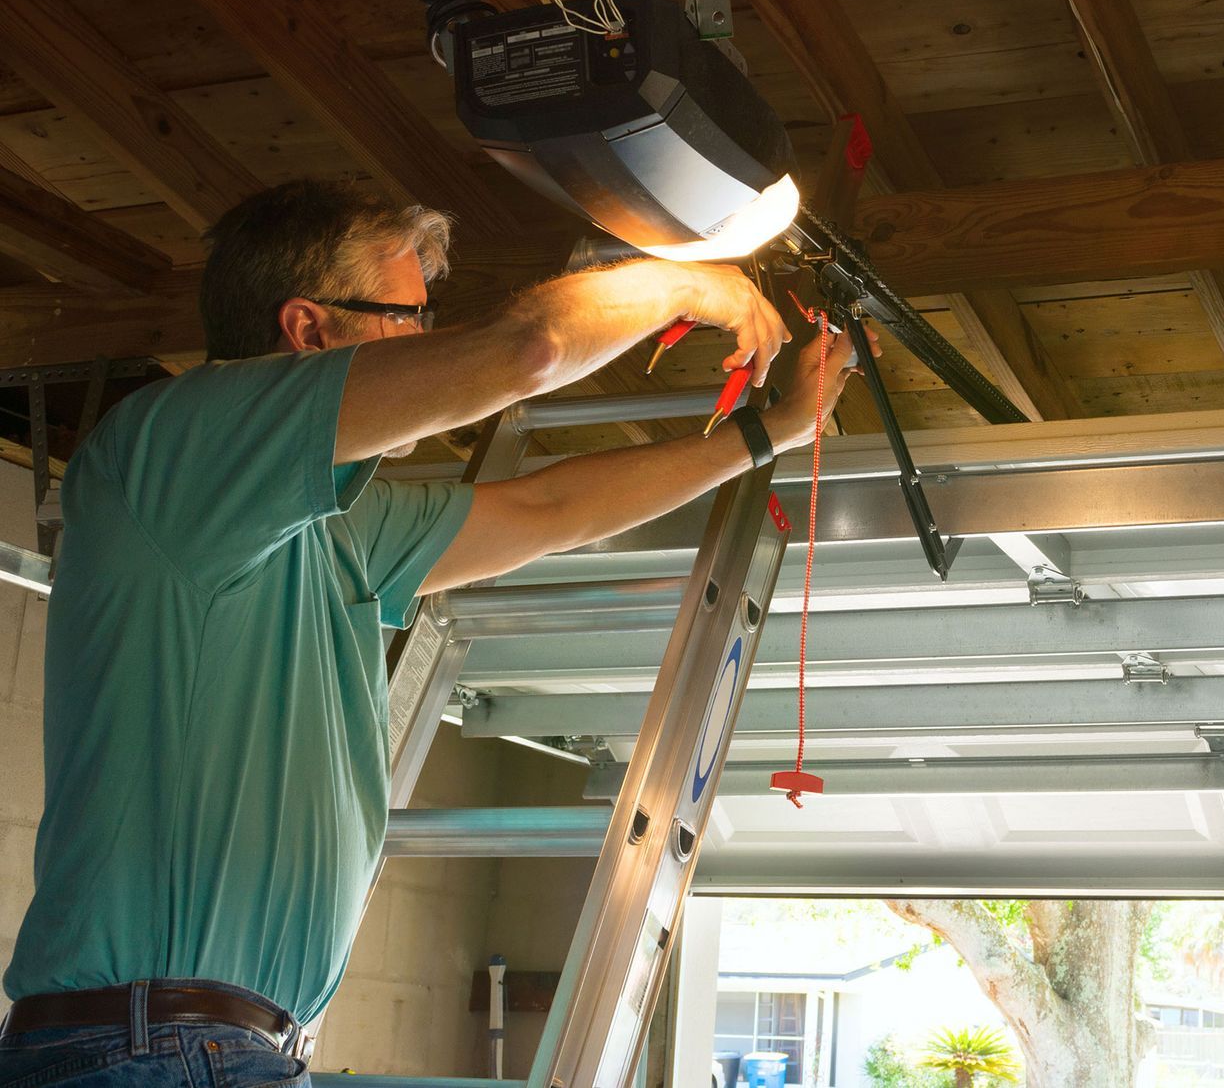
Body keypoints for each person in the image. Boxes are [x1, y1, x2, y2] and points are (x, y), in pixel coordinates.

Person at [0, 179, 866, 1087]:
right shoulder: (175, 449)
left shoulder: (335, 525)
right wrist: (690, 285)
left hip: (195, 1046)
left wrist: (763, 434)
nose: (424, 342)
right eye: (405, 317)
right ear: (308, 329)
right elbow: (527, 349)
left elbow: (548, 507)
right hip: (153, 1046)